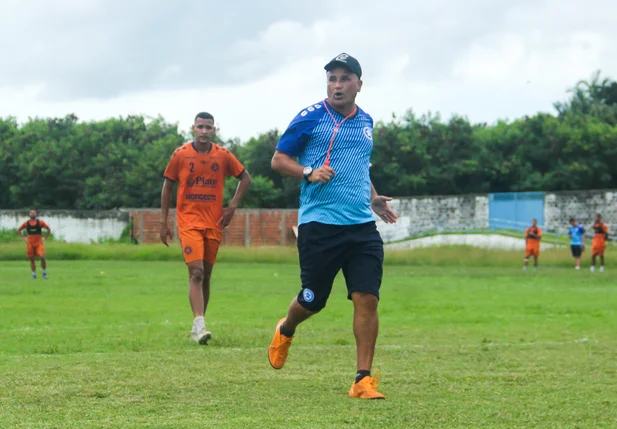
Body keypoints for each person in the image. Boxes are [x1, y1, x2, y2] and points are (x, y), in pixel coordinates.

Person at [267, 53, 398, 400]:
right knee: (312, 301)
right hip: (319, 225)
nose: (337, 85)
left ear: (358, 84)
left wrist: (373, 199)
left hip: (361, 227)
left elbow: (359, 166)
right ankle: (287, 327)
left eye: (344, 78)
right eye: (332, 79)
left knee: (367, 298)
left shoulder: (366, 121)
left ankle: (362, 379)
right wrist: (308, 171)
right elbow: (278, 160)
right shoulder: (311, 117)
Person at [160, 112, 251, 344]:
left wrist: (231, 207)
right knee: (196, 272)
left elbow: (245, 178)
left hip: (214, 223)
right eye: (200, 127)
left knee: (207, 275)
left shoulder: (222, 155)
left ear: (214, 130)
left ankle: (197, 325)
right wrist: (164, 221)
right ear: (193, 128)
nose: (203, 131)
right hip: (188, 222)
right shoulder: (180, 155)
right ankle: (200, 324)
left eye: (208, 127)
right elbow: (167, 186)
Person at [17, 209, 51, 279]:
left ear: (36, 214)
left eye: (34, 213)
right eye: (31, 213)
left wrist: (45, 238)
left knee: (42, 257)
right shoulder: (26, 223)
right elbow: (19, 230)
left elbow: (48, 229)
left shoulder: (40, 222)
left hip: (39, 243)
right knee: (32, 259)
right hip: (30, 244)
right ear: (29, 215)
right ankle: (34, 274)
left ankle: (44, 272)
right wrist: (24, 238)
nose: (32, 214)